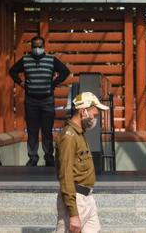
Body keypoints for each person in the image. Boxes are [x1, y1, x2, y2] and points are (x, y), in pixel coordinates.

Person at [9, 35, 70, 166]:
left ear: (43, 47)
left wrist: (53, 84)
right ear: (31, 47)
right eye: (34, 46)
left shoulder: (51, 60)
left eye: (39, 46)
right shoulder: (25, 60)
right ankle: (33, 157)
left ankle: (49, 157)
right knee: (32, 130)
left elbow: (65, 71)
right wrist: (21, 83)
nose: (37, 49)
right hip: (31, 100)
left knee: (47, 130)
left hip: (47, 100)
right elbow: (12, 71)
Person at [55, 92, 108, 233]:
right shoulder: (69, 137)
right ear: (82, 111)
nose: (94, 119)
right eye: (93, 114)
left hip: (87, 198)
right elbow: (65, 176)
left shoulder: (79, 134)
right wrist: (73, 214)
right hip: (76, 199)